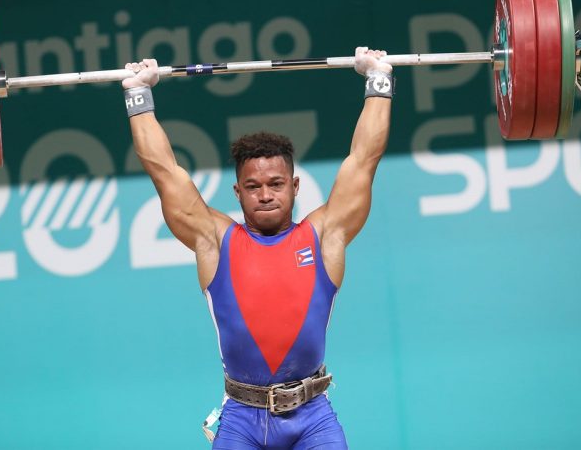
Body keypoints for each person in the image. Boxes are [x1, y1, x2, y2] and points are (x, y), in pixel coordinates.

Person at [122, 47, 393, 449]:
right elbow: (164, 173)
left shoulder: (324, 235)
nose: (265, 195)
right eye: (253, 186)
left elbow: (363, 159)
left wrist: (379, 81)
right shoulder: (214, 240)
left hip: (312, 417)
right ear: (238, 191)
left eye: (276, 184)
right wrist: (138, 94)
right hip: (241, 421)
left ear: (295, 186)